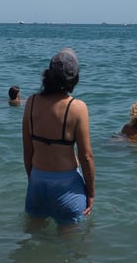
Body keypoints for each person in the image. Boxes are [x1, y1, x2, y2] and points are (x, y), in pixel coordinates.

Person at [21, 48, 94, 226]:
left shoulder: (31, 102)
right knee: (68, 249)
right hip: (66, 185)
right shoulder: (77, 108)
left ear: (48, 75)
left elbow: (27, 148)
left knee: (33, 240)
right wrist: (91, 193)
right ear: (74, 77)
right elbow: (86, 156)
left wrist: (33, 179)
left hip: (37, 180)